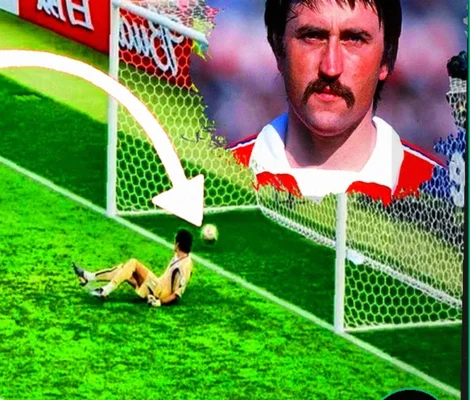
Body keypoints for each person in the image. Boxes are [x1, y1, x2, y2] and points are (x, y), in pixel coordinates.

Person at [228, 0, 442, 204]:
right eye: (313, 36)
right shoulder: (215, 189)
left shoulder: (446, 200)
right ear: (278, 48)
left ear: (386, 58)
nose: (331, 68)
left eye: (354, 39)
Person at [73, 229, 194, 307]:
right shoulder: (180, 256)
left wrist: (159, 302)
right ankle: (88, 277)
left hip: (159, 291)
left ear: (178, 244)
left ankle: (104, 290)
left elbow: (177, 294)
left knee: (133, 263)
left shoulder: (184, 266)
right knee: (123, 269)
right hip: (155, 286)